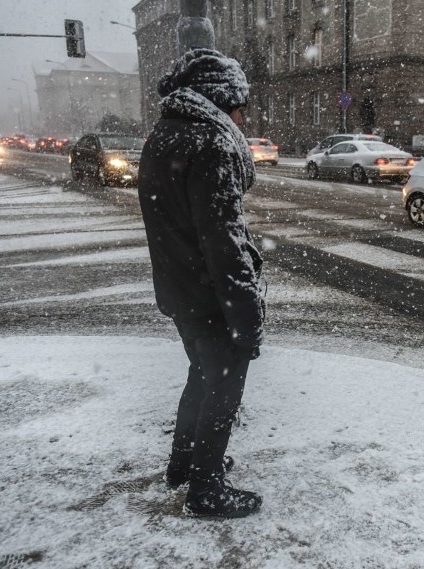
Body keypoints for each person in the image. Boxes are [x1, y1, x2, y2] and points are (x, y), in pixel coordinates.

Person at [137, 49, 265, 519]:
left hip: (179, 289)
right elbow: (224, 242)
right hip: (211, 296)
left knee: (201, 376)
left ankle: (184, 464)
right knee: (224, 389)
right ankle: (206, 489)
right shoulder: (210, 144)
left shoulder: (165, 135)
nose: (241, 118)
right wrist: (246, 316)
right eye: (238, 107)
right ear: (218, 99)